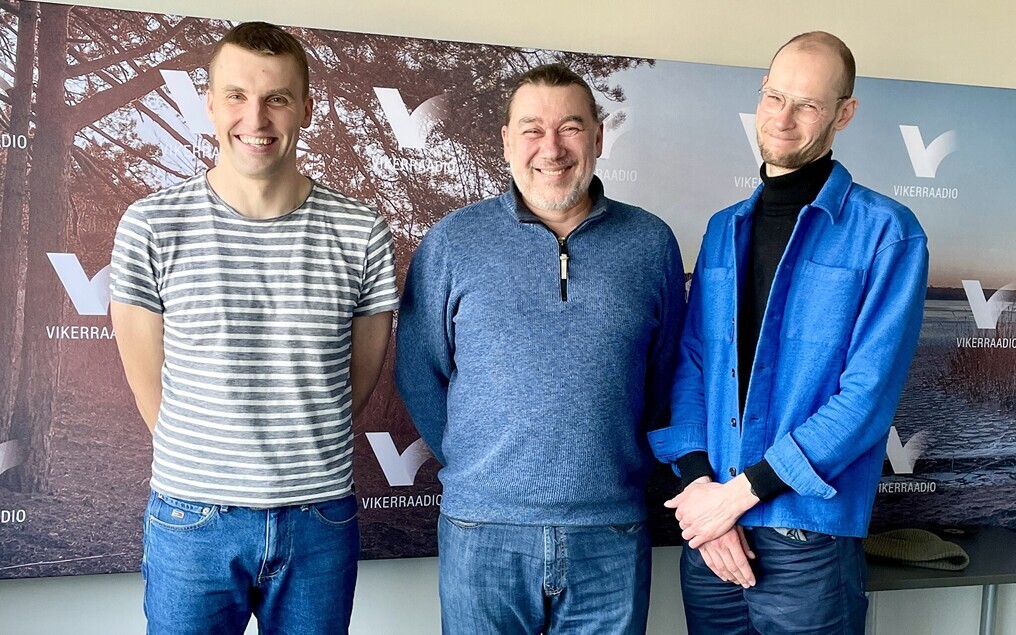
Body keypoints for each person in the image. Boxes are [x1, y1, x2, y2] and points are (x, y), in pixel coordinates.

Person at [109, 21, 398, 634]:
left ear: (306, 109)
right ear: (210, 104)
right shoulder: (151, 225)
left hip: (319, 522)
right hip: (192, 521)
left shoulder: (362, 231)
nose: (255, 118)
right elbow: (146, 383)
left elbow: (355, 383)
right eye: (236, 96)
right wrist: (213, 465)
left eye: (277, 98)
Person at [648, 31, 929, 633]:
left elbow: (866, 398)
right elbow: (693, 366)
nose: (783, 117)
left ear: (843, 114)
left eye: (808, 104)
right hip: (712, 534)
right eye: (775, 97)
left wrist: (738, 495)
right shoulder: (723, 229)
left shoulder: (888, 232)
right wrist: (704, 492)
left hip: (808, 537)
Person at [395, 63, 685, 634]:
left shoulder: (651, 243)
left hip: (610, 533)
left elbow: (665, 373)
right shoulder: (453, 241)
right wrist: (477, 463)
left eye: (570, 128)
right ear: (507, 141)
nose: (551, 149)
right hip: (483, 531)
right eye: (532, 129)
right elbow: (418, 371)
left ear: (597, 138)